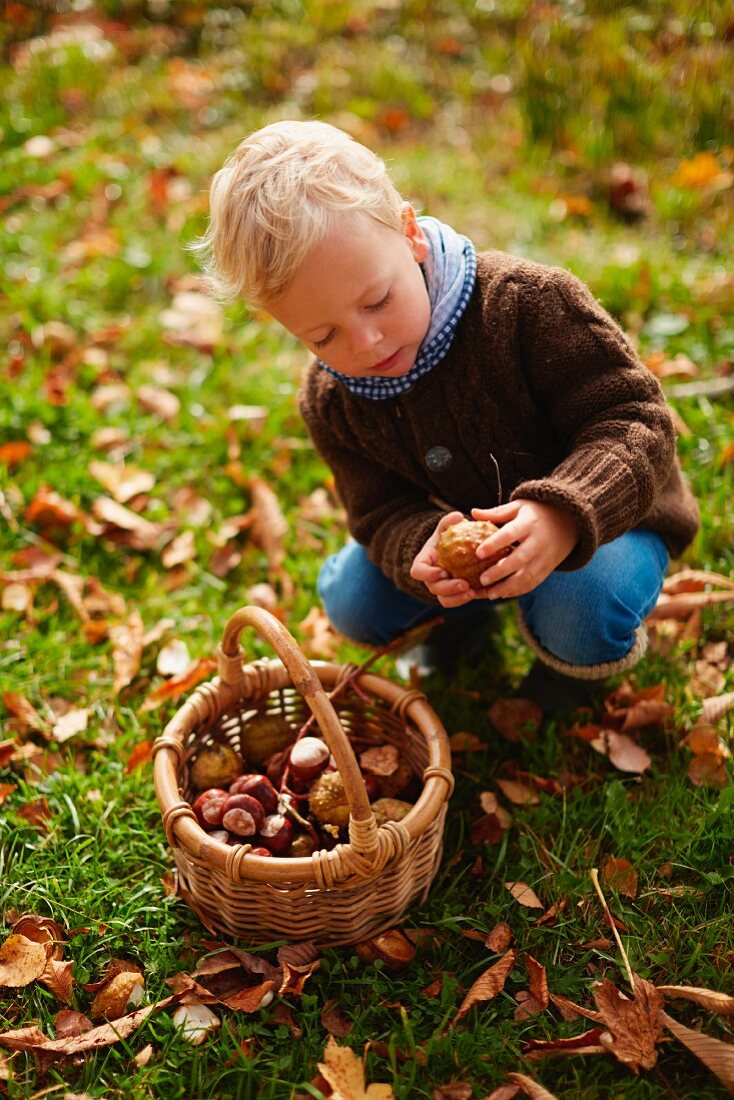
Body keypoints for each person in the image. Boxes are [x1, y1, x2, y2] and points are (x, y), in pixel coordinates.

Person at [195, 119, 700, 713]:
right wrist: (419, 548)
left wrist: (563, 514)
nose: (366, 341)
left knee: (586, 602)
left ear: (409, 235)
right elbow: (378, 510)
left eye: (377, 299)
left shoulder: (527, 306)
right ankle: (461, 628)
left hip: (604, 519)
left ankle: (572, 674)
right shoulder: (333, 399)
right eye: (323, 335)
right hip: (474, 548)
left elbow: (634, 419)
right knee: (353, 597)